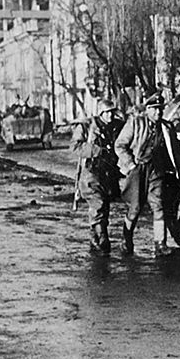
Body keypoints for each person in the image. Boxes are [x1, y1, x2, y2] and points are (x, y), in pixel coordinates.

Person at [115, 93, 180, 258]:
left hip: (156, 170)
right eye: (154, 109)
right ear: (147, 110)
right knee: (135, 208)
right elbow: (120, 145)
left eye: (160, 109)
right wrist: (131, 165)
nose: (158, 113)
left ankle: (160, 244)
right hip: (138, 169)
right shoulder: (135, 123)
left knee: (158, 205)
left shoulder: (166, 127)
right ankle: (126, 238)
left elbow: (176, 148)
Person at [72, 100, 124, 254]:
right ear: (100, 113)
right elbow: (75, 146)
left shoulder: (116, 126)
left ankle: (94, 237)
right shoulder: (87, 126)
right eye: (106, 112)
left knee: (104, 207)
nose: (110, 115)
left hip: (108, 173)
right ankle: (102, 238)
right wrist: (97, 150)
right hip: (91, 172)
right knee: (98, 204)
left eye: (112, 112)